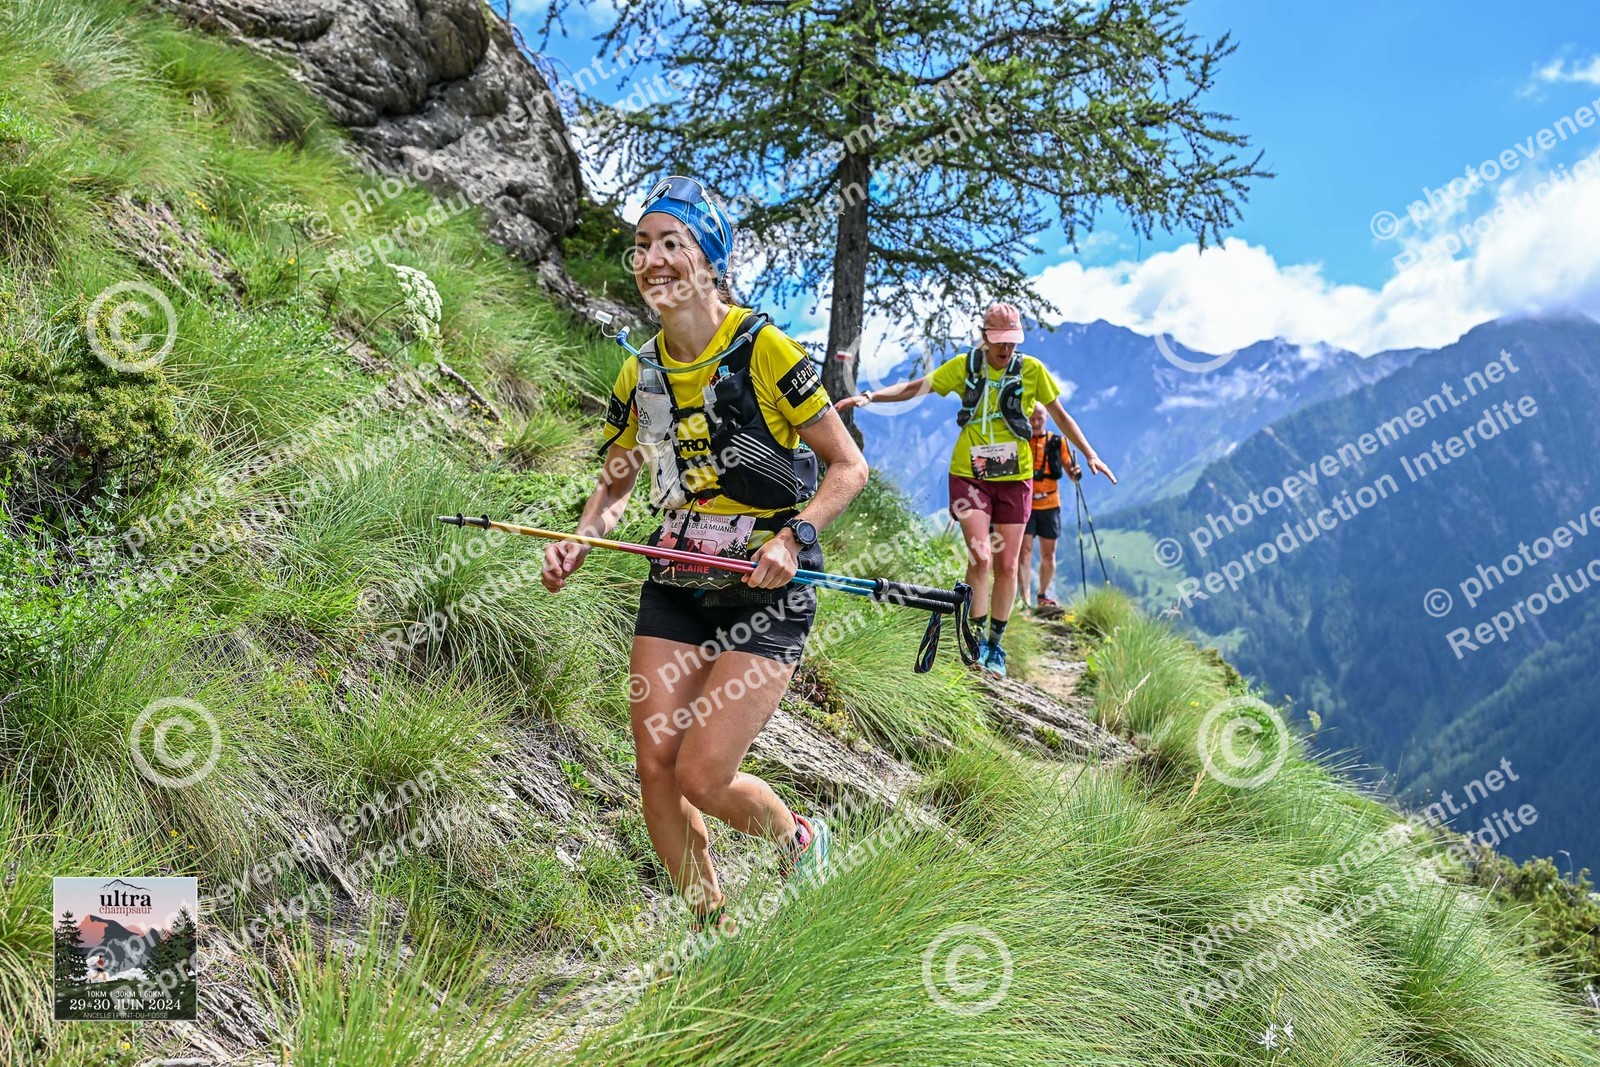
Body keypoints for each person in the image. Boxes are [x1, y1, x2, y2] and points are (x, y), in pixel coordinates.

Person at [541, 175, 869, 938]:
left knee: (702, 773)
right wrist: (583, 536)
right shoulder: (641, 370)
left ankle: (798, 838)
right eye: (641, 246)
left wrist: (793, 538)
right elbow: (616, 480)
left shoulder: (764, 349)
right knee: (656, 770)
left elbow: (848, 467)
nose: (652, 259)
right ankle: (710, 929)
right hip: (677, 582)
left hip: (766, 589)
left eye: (672, 243)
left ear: (710, 261)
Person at [836, 303, 1115, 676]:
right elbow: (917, 387)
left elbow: (1061, 416)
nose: (1007, 348)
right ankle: (975, 639)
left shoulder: (1032, 370)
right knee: (981, 557)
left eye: (1013, 341)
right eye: (1000, 341)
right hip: (970, 476)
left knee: (1007, 564)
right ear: (985, 336)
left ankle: (995, 646)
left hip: (1015, 479)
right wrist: (871, 397)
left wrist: (1091, 454)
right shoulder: (965, 367)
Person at [1020, 402, 1081, 609]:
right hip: (1026, 504)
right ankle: (1025, 600)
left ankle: (1043, 594)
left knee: (1049, 554)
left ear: (1046, 418)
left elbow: (1069, 467)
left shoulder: (1057, 442)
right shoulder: (1022, 440)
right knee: (1024, 551)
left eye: (1039, 418)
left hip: (1050, 504)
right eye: (1032, 418)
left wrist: (1075, 473)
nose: (1036, 422)